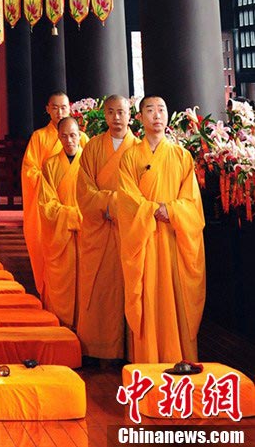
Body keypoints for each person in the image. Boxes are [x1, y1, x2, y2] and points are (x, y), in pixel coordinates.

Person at [118, 96, 205, 363]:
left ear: (167, 116)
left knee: (176, 302)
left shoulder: (182, 156)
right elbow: (127, 199)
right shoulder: (130, 157)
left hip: (174, 240)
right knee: (147, 299)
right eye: (150, 110)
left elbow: (192, 203)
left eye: (162, 110)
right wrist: (153, 210)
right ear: (140, 117)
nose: (157, 115)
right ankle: (147, 364)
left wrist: (172, 211)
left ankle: (182, 363)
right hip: (144, 241)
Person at [75, 95, 137, 361]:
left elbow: (143, 192)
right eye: (110, 112)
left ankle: (133, 350)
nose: (116, 117)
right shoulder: (92, 149)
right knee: (100, 288)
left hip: (130, 230)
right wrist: (109, 204)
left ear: (130, 115)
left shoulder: (140, 150)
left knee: (131, 287)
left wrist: (122, 207)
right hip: (100, 229)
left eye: (121, 112)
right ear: (104, 116)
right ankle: (99, 349)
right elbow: (84, 189)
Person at [21, 91, 88, 298]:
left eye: (64, 107)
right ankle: (47, 294)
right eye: (55, 107)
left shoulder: (82, 138)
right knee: (48, 254)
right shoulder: (39, 137)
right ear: (47, 109)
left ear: (70, 108)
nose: (60, 112)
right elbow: (29, 170)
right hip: (50, 207)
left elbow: (92, 171)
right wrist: (52, 181)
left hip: (78, 206)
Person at [37, 117, 84, 328]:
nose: (69, 140)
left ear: (80, 134)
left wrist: (85, 218)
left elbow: (97, 199)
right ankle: (60, 327)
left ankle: (87, 331)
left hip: (87, 236)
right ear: (58, 136)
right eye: (64, 136)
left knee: (86, 284)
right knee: (62, 282)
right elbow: (46, 205)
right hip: (61, 235)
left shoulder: (89, 162)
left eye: (73, 135)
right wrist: (75, 216)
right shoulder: (50, 164)